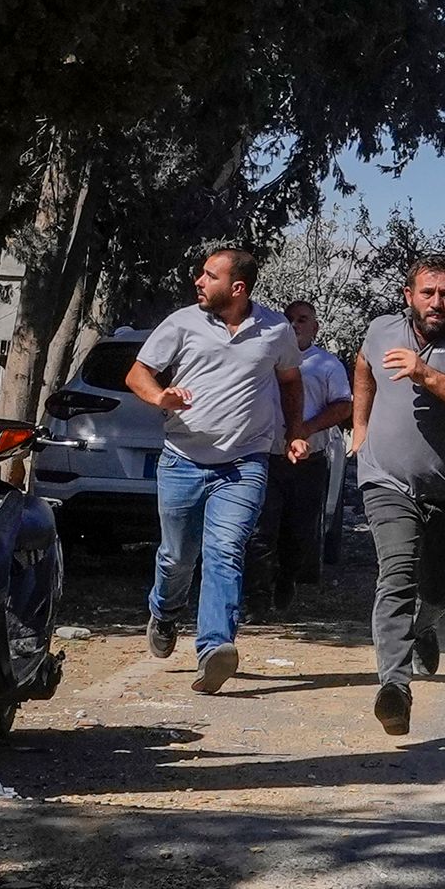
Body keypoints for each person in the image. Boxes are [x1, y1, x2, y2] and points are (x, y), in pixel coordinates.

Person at [127, 243, 305, 694]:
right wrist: (158, 396)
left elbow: (290, 381)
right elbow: (138, 373)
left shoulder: (275, 330)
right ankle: (164, 612)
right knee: (176, 556)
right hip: (182, 460)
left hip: (245, 461)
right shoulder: (182, 323)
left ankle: (214, 650)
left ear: (237, 287)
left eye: (209, 275)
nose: (199, 282)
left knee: (225, 552)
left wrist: (295, 431)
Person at [347, 254, 445, 724]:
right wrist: (360, 428)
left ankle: (425, 625)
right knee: (396, 576)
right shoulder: (381, 330)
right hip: (385, 478)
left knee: (436, 587)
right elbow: (363, 367)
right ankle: (394, 687)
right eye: (428, 293)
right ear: (409, 295)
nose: (437, 303)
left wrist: (426, 374)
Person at [263, 296, 352, 608]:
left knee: (299, 531)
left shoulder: (327, 364)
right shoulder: (266, 360)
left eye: (302, 319)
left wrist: (306, 428)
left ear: (314, 327)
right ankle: (255, 598)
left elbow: (343, 406)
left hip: (308, 460)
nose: (296, 324)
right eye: (290, 319)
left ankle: (287, 577)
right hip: (267, 457)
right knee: (262, 527)